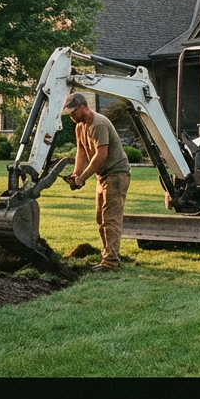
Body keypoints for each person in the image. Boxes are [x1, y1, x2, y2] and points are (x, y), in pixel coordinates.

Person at [62, 91, 130, 271]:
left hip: (116, 174)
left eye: (72, 112)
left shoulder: (98, 124)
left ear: (83, 106)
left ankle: (111, 263)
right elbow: (82, 152)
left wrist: (83, 178)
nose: (71, 116)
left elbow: (101, 155)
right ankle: (107, 256)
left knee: (111, 219)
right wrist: (76, 174)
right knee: (100, 218)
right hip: (103, 176)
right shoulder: (80, 127)